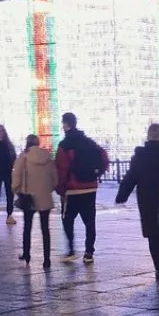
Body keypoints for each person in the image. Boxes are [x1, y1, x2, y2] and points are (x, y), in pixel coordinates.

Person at [116, 123, 159, 281]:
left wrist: (122, 195)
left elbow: (131, 177)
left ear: (148, 136)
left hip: (147, 201)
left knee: (153, 236)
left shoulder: (140, 156)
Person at [55, 112, 109, 264]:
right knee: (90, 221)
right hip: (90, 188)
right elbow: (104, 157)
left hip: (73, 189)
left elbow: (61, 169)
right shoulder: (89, 142)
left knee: (67, 219)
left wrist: (61, 189)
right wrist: (98, 174)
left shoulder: (64, 145)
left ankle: (71, 249)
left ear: (65, 124)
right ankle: (89, 253)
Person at [12, 134, 57, 269]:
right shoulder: (47, 157)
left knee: (27, 227)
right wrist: (47, 189)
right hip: (44, 197)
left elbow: (16, 175)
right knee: (45, 229)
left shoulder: (24, 157)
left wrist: (17, 190)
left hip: (28, 196)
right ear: (38, 143)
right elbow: (54, 178)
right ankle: (47, 259)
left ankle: (27, 254)